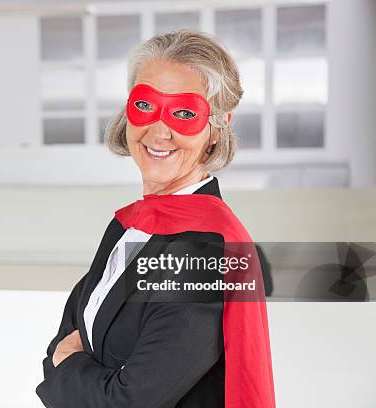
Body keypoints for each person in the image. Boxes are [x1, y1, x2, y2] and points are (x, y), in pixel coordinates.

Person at [35, 30, 275, 408]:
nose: (159, 131)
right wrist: (74, 366)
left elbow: (131, 400)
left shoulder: (206, 251)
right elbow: (65, 339)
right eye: (146, 106)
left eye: (184, 113)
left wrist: (68, 367)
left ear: (217, 128)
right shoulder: (132, 224)